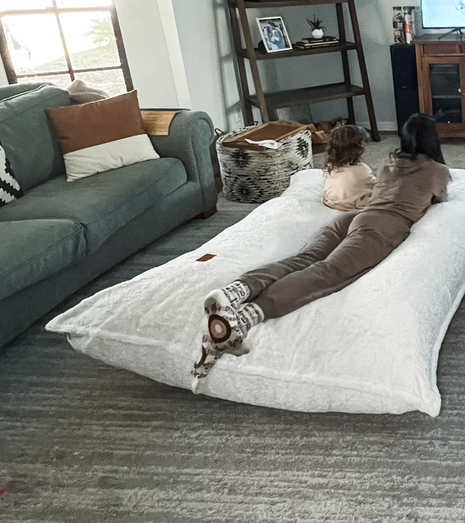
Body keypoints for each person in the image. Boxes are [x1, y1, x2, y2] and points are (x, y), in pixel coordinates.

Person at [192, 113, 451, 387]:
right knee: (328, 273)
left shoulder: (389, 162)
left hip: (352, 218)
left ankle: (234, 291)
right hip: (382, 226)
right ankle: (243, 318)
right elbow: (439, 197)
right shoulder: (437, 170)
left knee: (303, 259)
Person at [321, 123, 376, 211]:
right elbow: (375, 187)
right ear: (358, 148)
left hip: (331, 202)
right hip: (351, 207)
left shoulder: (331, 166)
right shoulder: (362, 170)